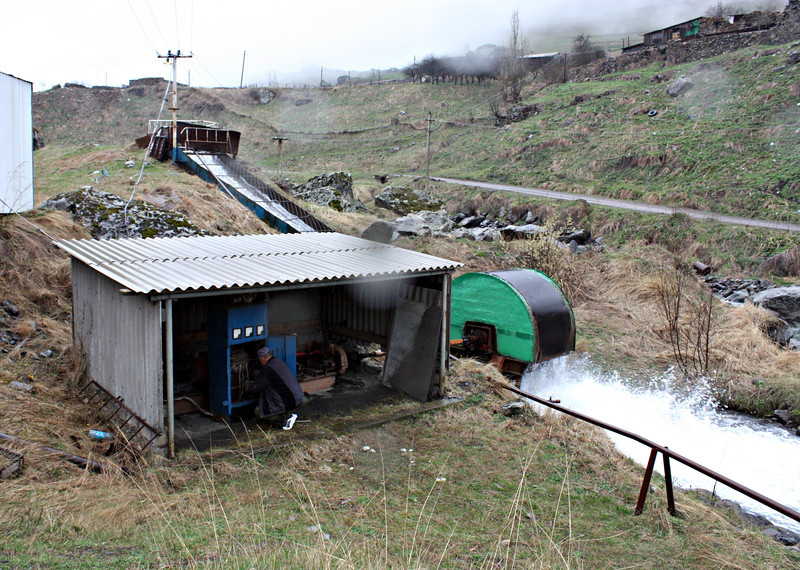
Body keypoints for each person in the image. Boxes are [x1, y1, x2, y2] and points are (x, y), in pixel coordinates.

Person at [245, 346, 304, 424]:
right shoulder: (279, 362)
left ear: (262, 359)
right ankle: (287, 413)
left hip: (290, 402)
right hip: (298, 398)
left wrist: (248, 386)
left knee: (258, 411)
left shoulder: (267, 370)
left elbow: (255, 388)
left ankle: (285, 419)